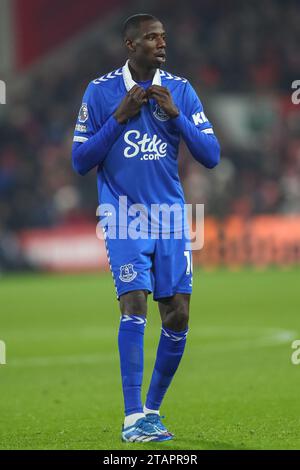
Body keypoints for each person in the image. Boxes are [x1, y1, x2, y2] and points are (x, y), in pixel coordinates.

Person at [72, 13, 220, 443]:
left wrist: (176, 118)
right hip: (123, 216)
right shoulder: (100, 92)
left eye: (163, 37)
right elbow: (81, 162)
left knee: (178, 315)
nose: (161, 43)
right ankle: (131, 415)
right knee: (134, 304)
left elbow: (210, 155)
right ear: (129, 44)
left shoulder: (182, 90)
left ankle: (151, 412)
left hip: (171, 217)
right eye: (152, 38)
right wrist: (118, 118)